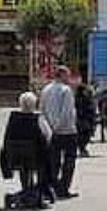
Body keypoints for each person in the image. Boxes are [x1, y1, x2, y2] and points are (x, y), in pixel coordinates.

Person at [0, 91, 53, 209]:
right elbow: (48, 136)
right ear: (34, 104)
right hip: (36, 158)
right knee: (45, 159)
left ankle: (25, 192)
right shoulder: (38, 119)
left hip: (14, 157)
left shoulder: (13, 119)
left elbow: (6, 138)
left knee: (25, 165)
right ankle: (35, 193)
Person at [39, 66, 79, 199]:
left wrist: (48, 128)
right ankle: (63, 188)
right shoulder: (66, 90)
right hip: (66, 131)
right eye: (67, 75)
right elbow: (66, 112)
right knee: (69, 160)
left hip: (50, 131)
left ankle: (52, 187)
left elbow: (42, 110)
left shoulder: (46, 89)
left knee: (53, 161)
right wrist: (58, 126)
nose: (69, 78)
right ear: (61, 75)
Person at [75, 82, 97, 158]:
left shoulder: (85, 98)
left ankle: (82, 148)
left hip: (83, 120)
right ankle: (82, 149)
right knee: (84, 135)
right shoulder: (80, 99)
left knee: (83, 135)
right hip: (83, 120)